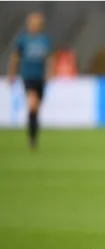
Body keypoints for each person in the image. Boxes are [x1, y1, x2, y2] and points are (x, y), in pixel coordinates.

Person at [8, 12, 53, 150]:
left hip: (40, 78)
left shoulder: (44, 40)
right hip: (28, 76)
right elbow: (15, 57)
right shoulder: (23, 40)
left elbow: (50, 58)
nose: (34, 26)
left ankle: (33, 136)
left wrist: (50, 73)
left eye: (37, 24)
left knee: (36, 109)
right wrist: (11, 74)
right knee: (32, 105)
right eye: (32, 24)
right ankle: (32, 138)